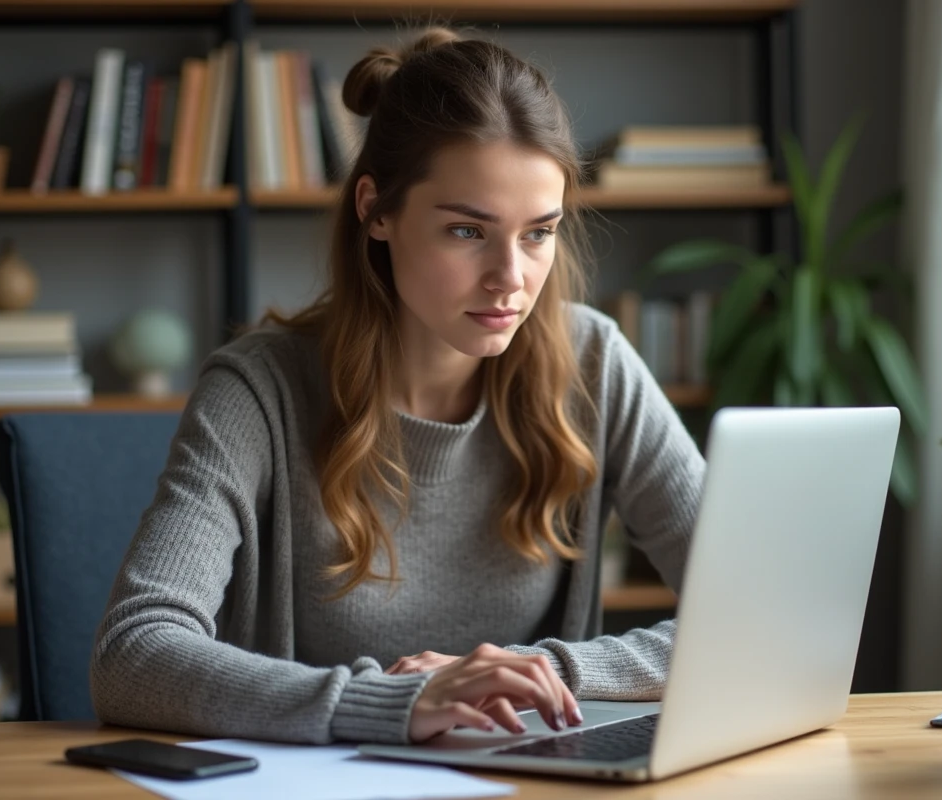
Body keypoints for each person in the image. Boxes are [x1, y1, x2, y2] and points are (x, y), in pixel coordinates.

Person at [90, 27, 704, 746]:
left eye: (539, 233)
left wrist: (540, 671)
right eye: (468, 232)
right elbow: (132, 654)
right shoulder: (259, 389)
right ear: (376, 210)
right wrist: (392, 704)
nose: (512, 277)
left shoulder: (593, 360)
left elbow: (757, 613)